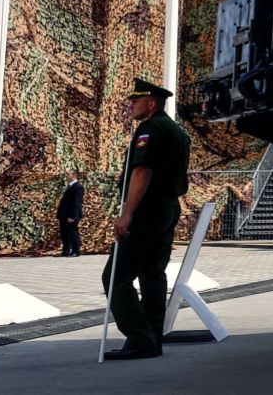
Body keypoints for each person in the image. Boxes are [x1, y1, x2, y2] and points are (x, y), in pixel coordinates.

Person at [101, 78, 191, 361]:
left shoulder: (149, 130)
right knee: (153, 274)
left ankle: (140, 338)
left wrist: (127, 213)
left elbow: (142, 172)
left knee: (115, 278)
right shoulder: (178, 132)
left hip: (146, 210)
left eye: (135, 100)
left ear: (151, 103)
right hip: (167, 209)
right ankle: (153, 338)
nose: (131, 105)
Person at [56, 171, 85, 257]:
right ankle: (66, 250)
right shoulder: (70, 186)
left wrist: (73, 216)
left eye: (68, 174)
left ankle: (76, 251)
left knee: (73, 232)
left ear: (74, 175)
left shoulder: (78, 187)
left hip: (71, 215)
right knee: (64, 233)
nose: (66, 176)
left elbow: (77, 203)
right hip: (64, 215)